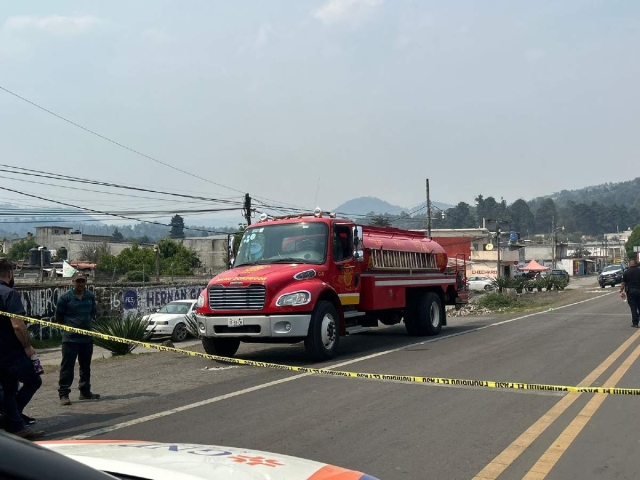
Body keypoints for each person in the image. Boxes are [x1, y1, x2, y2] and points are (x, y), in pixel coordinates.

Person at [0, 259, 44, 439]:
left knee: (9, 388)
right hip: (10, 352)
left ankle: (14, 423)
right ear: (10, 274)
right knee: (34, 381)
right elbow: (18, 325)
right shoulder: (9, 294)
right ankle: (13, 420)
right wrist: (27, 347)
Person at [56, 272, 100, 406]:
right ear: (72, 282)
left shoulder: (90, 297)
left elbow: (93, 313)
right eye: (78, 281)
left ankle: (85, 391)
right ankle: (64, 394)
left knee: (85, 366)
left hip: (86, 338)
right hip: (70, 339)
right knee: (67, 367)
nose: (80, 284)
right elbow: (58, 318)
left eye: (83, 281)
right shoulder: (65, 298)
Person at [620, 259, 640, 328]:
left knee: (633, 307)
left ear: (629, 264)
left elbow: (623, 283)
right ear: (636, 264)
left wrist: (621, 291)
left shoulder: (626, 272)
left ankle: (635, 323)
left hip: (631, 292)